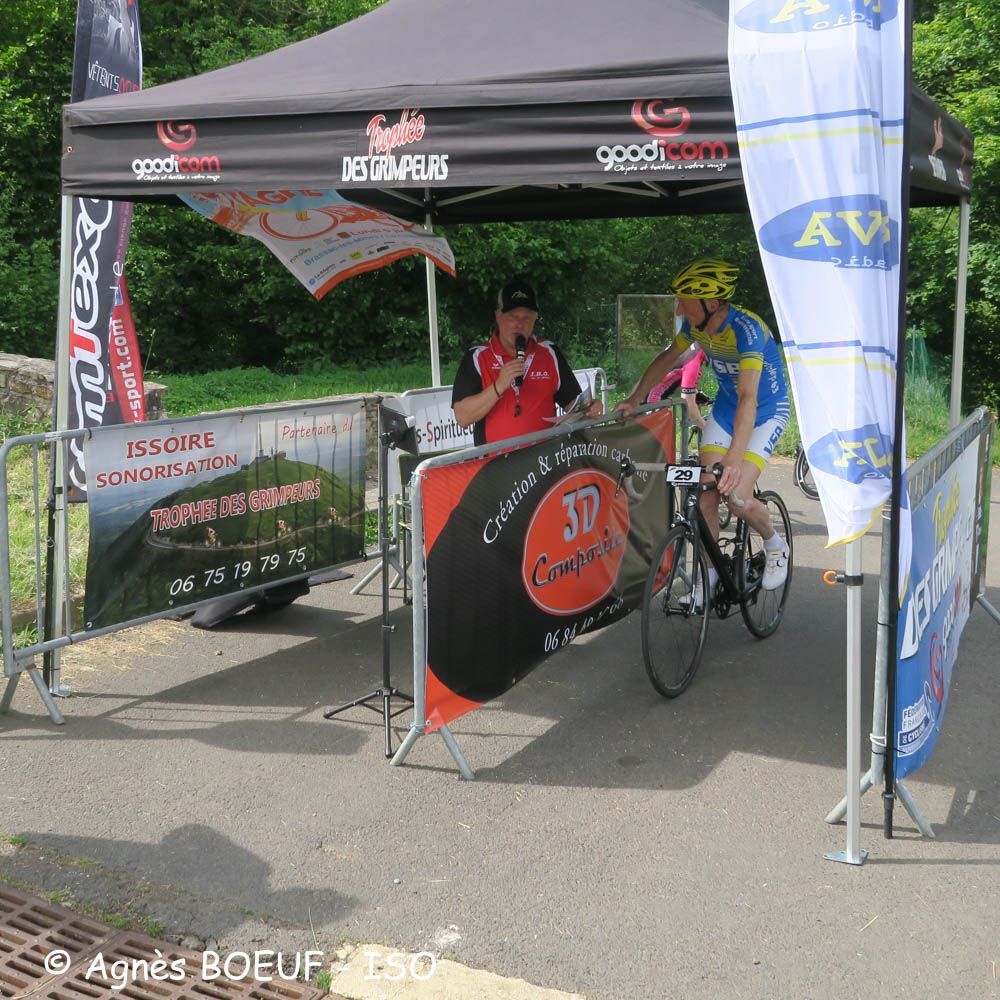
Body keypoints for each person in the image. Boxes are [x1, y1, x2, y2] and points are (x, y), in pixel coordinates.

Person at [615, 258, 790, 592]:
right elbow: (667, 358)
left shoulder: (748, 331)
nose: (679, 308)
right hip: (726, 412)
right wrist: (635, 398)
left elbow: (748, 398)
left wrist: (734, 460)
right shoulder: (695, 328)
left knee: (737, 498)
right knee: (706, 494)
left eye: (685, 301)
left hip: (765, 413)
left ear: (711, 303)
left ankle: (775, 544)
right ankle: (709, 576)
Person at [452, 278, 603, 445]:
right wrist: (498, 386)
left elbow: (573, 406)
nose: (519, 325)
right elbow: (462, 417)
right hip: (495, 460)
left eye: (526, 318)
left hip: (543, 458)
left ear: (535, 319)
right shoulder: (477, 357)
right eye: (513, 317)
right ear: (498, 316)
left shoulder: (549, 352)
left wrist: (590, 409)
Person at [643, 344, 708, 430]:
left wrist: (695, 393)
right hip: (652, 404)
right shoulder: (693, 361)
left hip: (643, 397)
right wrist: (709, 430)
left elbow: (672, 375)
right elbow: (688, 402)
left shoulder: (687, 346)